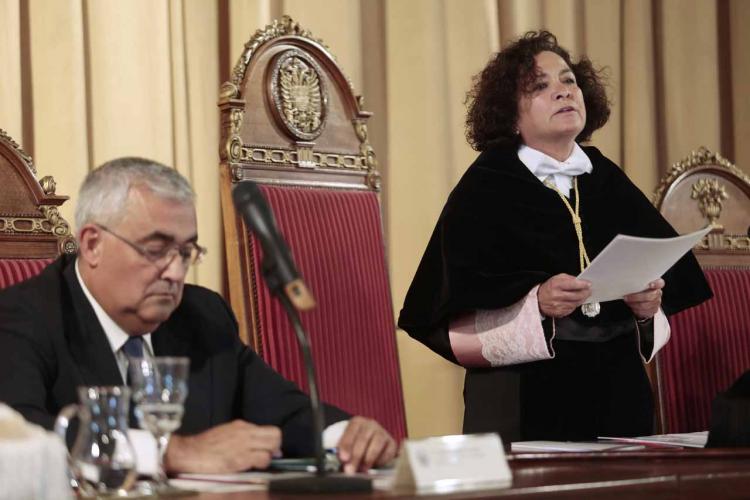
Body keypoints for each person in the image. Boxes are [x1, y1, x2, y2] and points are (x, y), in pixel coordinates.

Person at [398, 31, 712, 443]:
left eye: (569, 81)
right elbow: (446, 302)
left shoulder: (606, 178)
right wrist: (535, 302)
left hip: (618, 393)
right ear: (510, 114)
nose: (563, 92)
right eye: (540, 87)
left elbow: (659, 272)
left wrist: (647, 304)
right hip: (524, 397)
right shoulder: (486, 185)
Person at [0, 157, 396, 474]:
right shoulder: (23, 317)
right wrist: (171, 453)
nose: (175, 272)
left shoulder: (201, 314)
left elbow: (282, 409)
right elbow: (22, 441)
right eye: (156, 249)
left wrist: (345, 434)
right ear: (92, 245)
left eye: (186, 252)